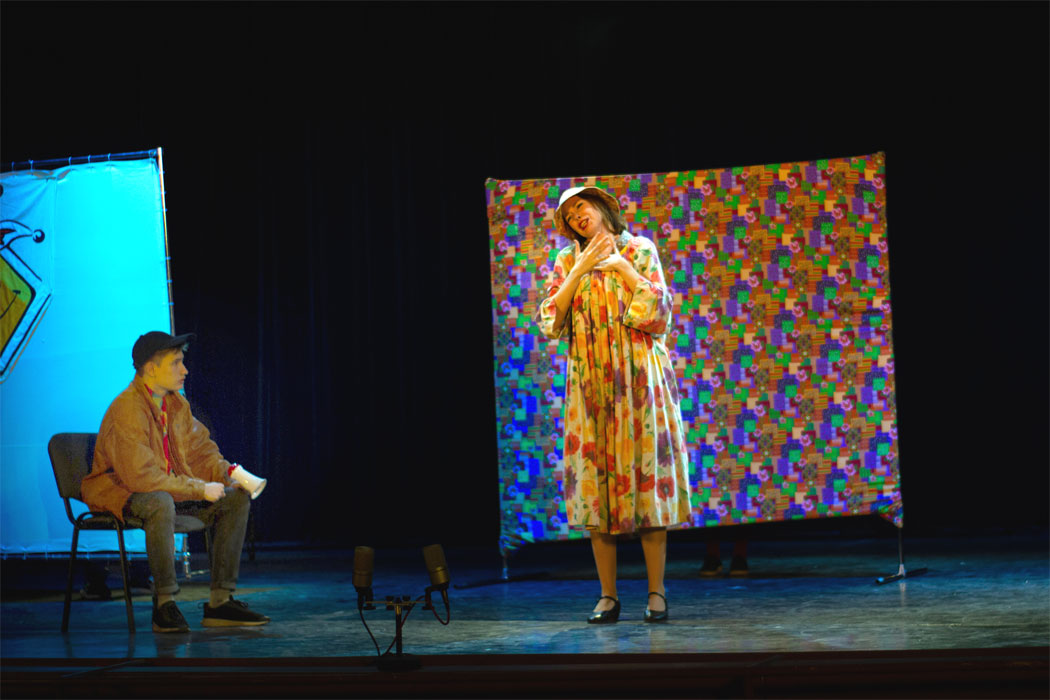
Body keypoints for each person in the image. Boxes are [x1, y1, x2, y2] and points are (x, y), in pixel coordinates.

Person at [535, 186, 691, 623]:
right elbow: (550, 320)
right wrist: (579, 268)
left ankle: (656, 592)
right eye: (568, 215)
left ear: (601, 207)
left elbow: (659, 312)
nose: (576, 216)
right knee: (595, 488)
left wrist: (622, 267)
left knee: (647, 482)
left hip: (639, 380)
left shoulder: (639, 249)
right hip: (590, 384)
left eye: (580, 206)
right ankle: (608, 595)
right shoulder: (566, 260)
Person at [81, 331, 269, 632]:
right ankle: (164, 604)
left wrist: (230, 474)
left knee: (235, 498)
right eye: (176, 363)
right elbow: (141, 477)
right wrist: (199, 489)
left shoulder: (176, 405)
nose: (185, 370)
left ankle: (220, 603)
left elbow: (201, 453)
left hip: (164, 492)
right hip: (123, 493)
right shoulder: (127, 409)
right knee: (159, 501)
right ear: (151, 368)